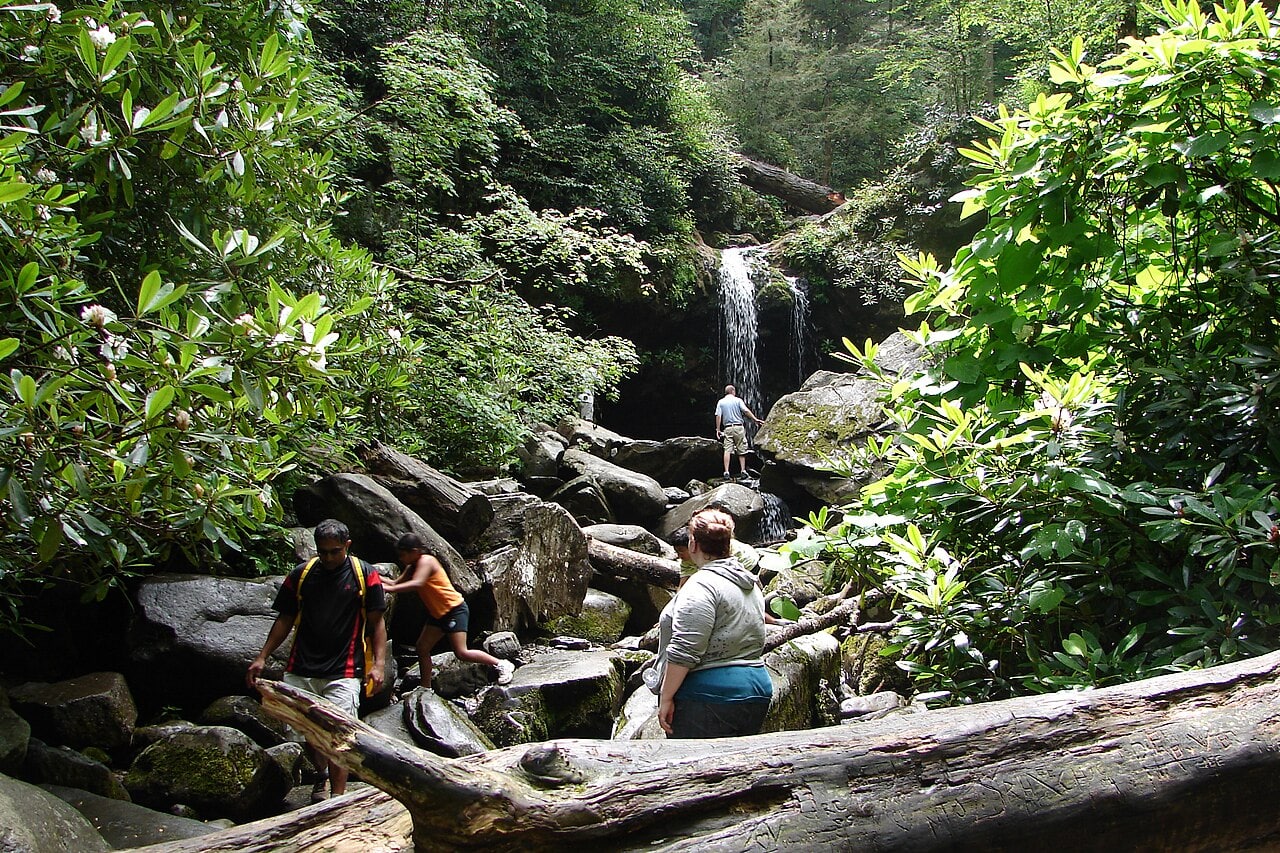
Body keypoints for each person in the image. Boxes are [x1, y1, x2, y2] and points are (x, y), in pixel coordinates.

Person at [246, 519, 388, 803]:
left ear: (347, 546)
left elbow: (377, 623)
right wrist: (262, 656)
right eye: (322, 552)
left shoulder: (365, 575)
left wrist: (379, 664)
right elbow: (284, 618)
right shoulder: (302, 575)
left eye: (335, 551)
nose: (328, 557)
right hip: (301, 667)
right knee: (308, 734)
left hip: (345, 670)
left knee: (340, 737)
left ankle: (337, 798)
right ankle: (320, 775)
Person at [656, 509, 773, 738]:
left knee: (692, 770)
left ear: (693, 544)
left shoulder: (700, 586)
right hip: (757, 688)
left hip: (708, 695)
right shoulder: (748, 582)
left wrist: (666, 696)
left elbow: (685, 649)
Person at [382, 533, 515, 689]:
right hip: (438, 614)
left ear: (415, 551)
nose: (401, 559)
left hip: (454, 610)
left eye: (403, 555)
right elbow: (394, 582)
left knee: (461, 652)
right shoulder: (412, 566)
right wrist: (374, 576)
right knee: (422, 648)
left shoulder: (427, 561)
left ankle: (501, 664)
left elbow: (417, 583)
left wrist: (389, 588)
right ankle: (425, 688)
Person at [715, 385, 764, 481]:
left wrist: (718, 429)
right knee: (741, 448)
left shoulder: (721, 402)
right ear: (733, 391)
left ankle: (726, 472)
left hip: (728, 428)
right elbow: (745, 411)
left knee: (727, 450)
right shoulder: (738, 400)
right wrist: (755, 420)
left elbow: (718, 416)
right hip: (738, 427)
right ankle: (743, 471)